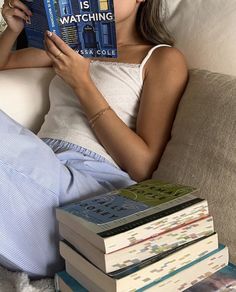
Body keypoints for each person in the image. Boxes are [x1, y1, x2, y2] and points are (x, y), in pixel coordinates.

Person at [0, 0, 188, 278]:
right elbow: (4, 63)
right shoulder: (71, 48)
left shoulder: (161, 59)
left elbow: (144, 166)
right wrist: (12, 30)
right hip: (36, 169)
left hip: (89, 195)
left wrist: (82, 83)